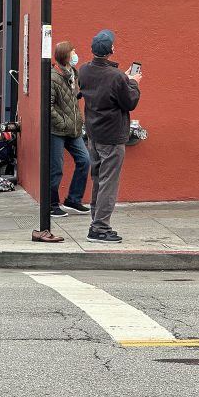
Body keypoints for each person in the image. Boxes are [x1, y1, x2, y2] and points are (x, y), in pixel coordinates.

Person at [78, 29, 141, 243]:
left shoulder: (84, 70)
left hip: (94, 133)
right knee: (108, 182)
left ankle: (96, 222)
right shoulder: (117, 77)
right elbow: (130, 101)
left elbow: (101, 85)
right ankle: (100, 227)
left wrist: (124, 78)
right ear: (111, 50)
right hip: (112, 135)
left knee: (98, 179)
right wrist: (133, 81)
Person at [49, 41, 91, 218]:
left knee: (85, 160)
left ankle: (73, 199)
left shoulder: (73, 73)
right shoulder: (52, 76)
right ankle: (51, 204)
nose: (76, 55)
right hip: (57, 130)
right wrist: (63, 122)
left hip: (73, 130)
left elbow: (71, 99)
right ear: (65, 55)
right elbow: (48, 106)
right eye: (73, 52)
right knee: (56, 168)